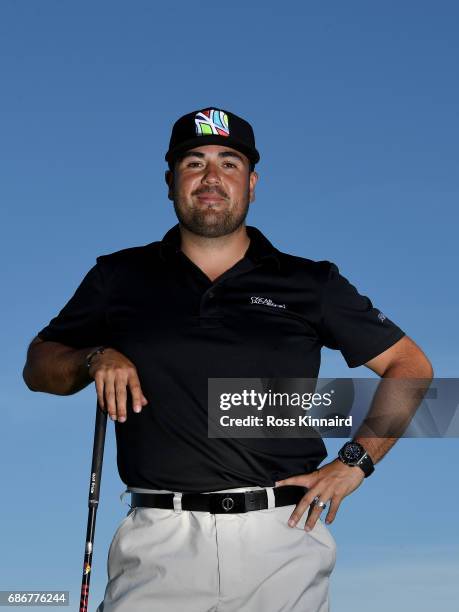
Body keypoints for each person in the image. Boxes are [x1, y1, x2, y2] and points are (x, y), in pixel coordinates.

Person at [23, 107, 433, 612]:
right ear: (171, 180)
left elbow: (411, 367)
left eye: (229, 163)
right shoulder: (119, 276)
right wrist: (94, 356)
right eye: (194, 162)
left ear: (252, 183)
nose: (211, 177)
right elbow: (38, 366)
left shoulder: (310, 282)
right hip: (157, 542)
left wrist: (355, 462)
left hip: (281, 539)